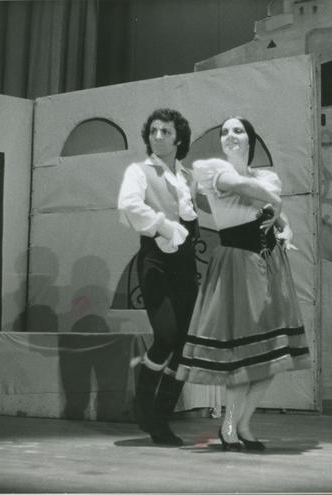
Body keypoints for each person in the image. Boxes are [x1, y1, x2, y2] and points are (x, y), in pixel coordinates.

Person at [175, 117, 311, 451]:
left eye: (238, 131)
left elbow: (273, 210)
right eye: (225, 132)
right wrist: (275, 202)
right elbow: (243, 188)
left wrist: (286, 227)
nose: (230, 136)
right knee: (244, 357)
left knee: (272, 355)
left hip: (269, 264)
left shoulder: (267, 177)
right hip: (238, 264)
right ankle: (229, 426)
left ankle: (243, 424)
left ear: (250, 138)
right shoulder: (212, 169)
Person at [117, 108, 198, 446]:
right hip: (155, 261)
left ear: (179, 139)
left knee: (186, 345)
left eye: (165, 131)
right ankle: (143, 403)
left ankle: (160, 417)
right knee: (166, 335)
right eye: (153, 131)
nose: (158, 136)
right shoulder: (139, 171)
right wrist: (164, 226)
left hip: (186, 264)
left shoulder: (189, 177)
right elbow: (128, 207)